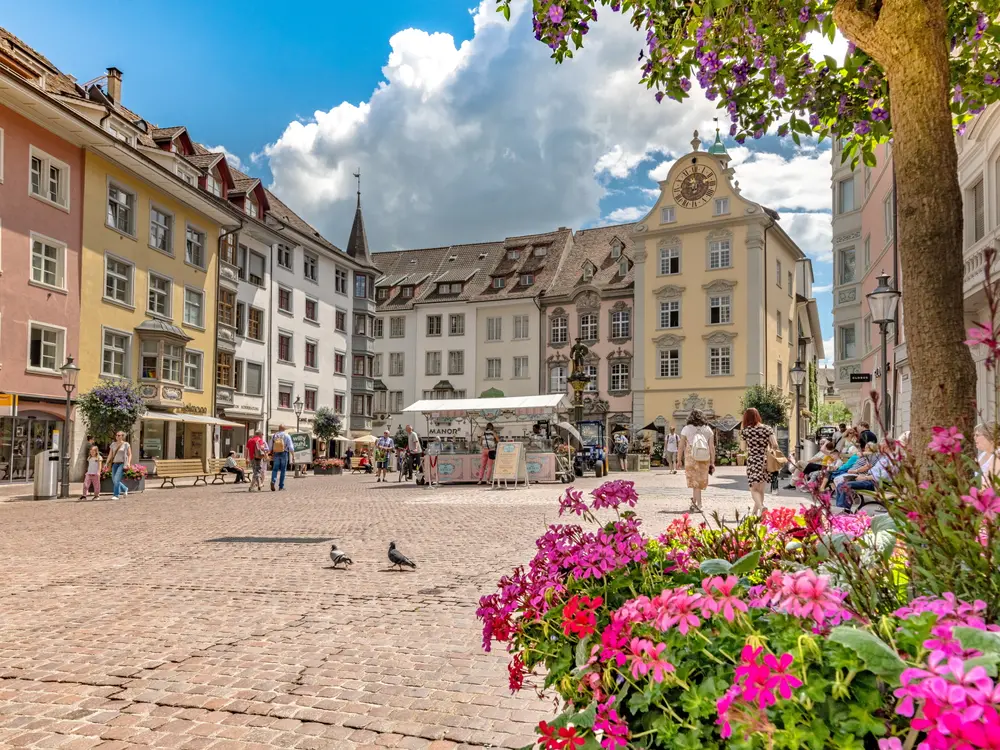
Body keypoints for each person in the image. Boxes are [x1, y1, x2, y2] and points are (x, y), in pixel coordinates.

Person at [741, 408, 779, 515]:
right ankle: (754, 513)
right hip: (765, 460)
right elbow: (775, 445)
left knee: (753, 489)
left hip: (753, 460)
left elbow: (743, 448)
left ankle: (762, 507)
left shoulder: (746, 431)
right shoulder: (767, 428)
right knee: (761, 489)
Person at [679, 410, 715, 513]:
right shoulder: (708, 429)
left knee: (695, 483)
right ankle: (694, 503)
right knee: (698, 481)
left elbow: (681, 446)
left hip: (691, 457)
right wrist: (712, 462)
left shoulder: (686, 429)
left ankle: (699, 504)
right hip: (704, 457)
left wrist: (678, 460)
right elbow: (711, 447)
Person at [104, 431, 132, 500]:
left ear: (122, 436)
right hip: (114, 464)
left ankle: (116, 495)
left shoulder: (126, 444)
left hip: (122, 463)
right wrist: (106, 463)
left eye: (119, 435)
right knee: (114, 480)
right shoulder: (113, 444)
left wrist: (128, 462)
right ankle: (125, 488)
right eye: (116, 435)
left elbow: (129, 454)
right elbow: (110, 454)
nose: (117, 436)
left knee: (116, 479)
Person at [269, 425, 294, 491]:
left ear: (279, 429)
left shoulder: (274, 435)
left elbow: (270, 446)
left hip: (276, 453)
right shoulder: (287, 435)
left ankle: (273, 481)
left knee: (275, 469)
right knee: (283, 470)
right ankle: (281, 486)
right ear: (284, 429)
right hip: (284, 453)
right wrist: (293, 456)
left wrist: (269, 454)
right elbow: (291, 447)